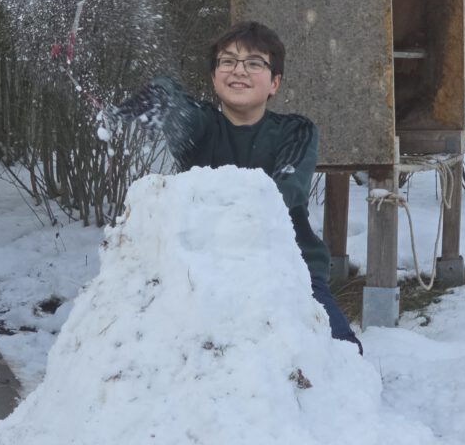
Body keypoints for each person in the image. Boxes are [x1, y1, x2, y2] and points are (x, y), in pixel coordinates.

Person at [113, 20, 362, 354]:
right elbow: (175, 105)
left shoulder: (295, 131)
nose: (239, 70)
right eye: (228, 61)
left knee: (342, 353)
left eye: (254, 63)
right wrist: (161, 94)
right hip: (202, 272)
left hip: (290, 270)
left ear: (274, 82)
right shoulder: (200, 128)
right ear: (214, 76)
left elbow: (286, 190)